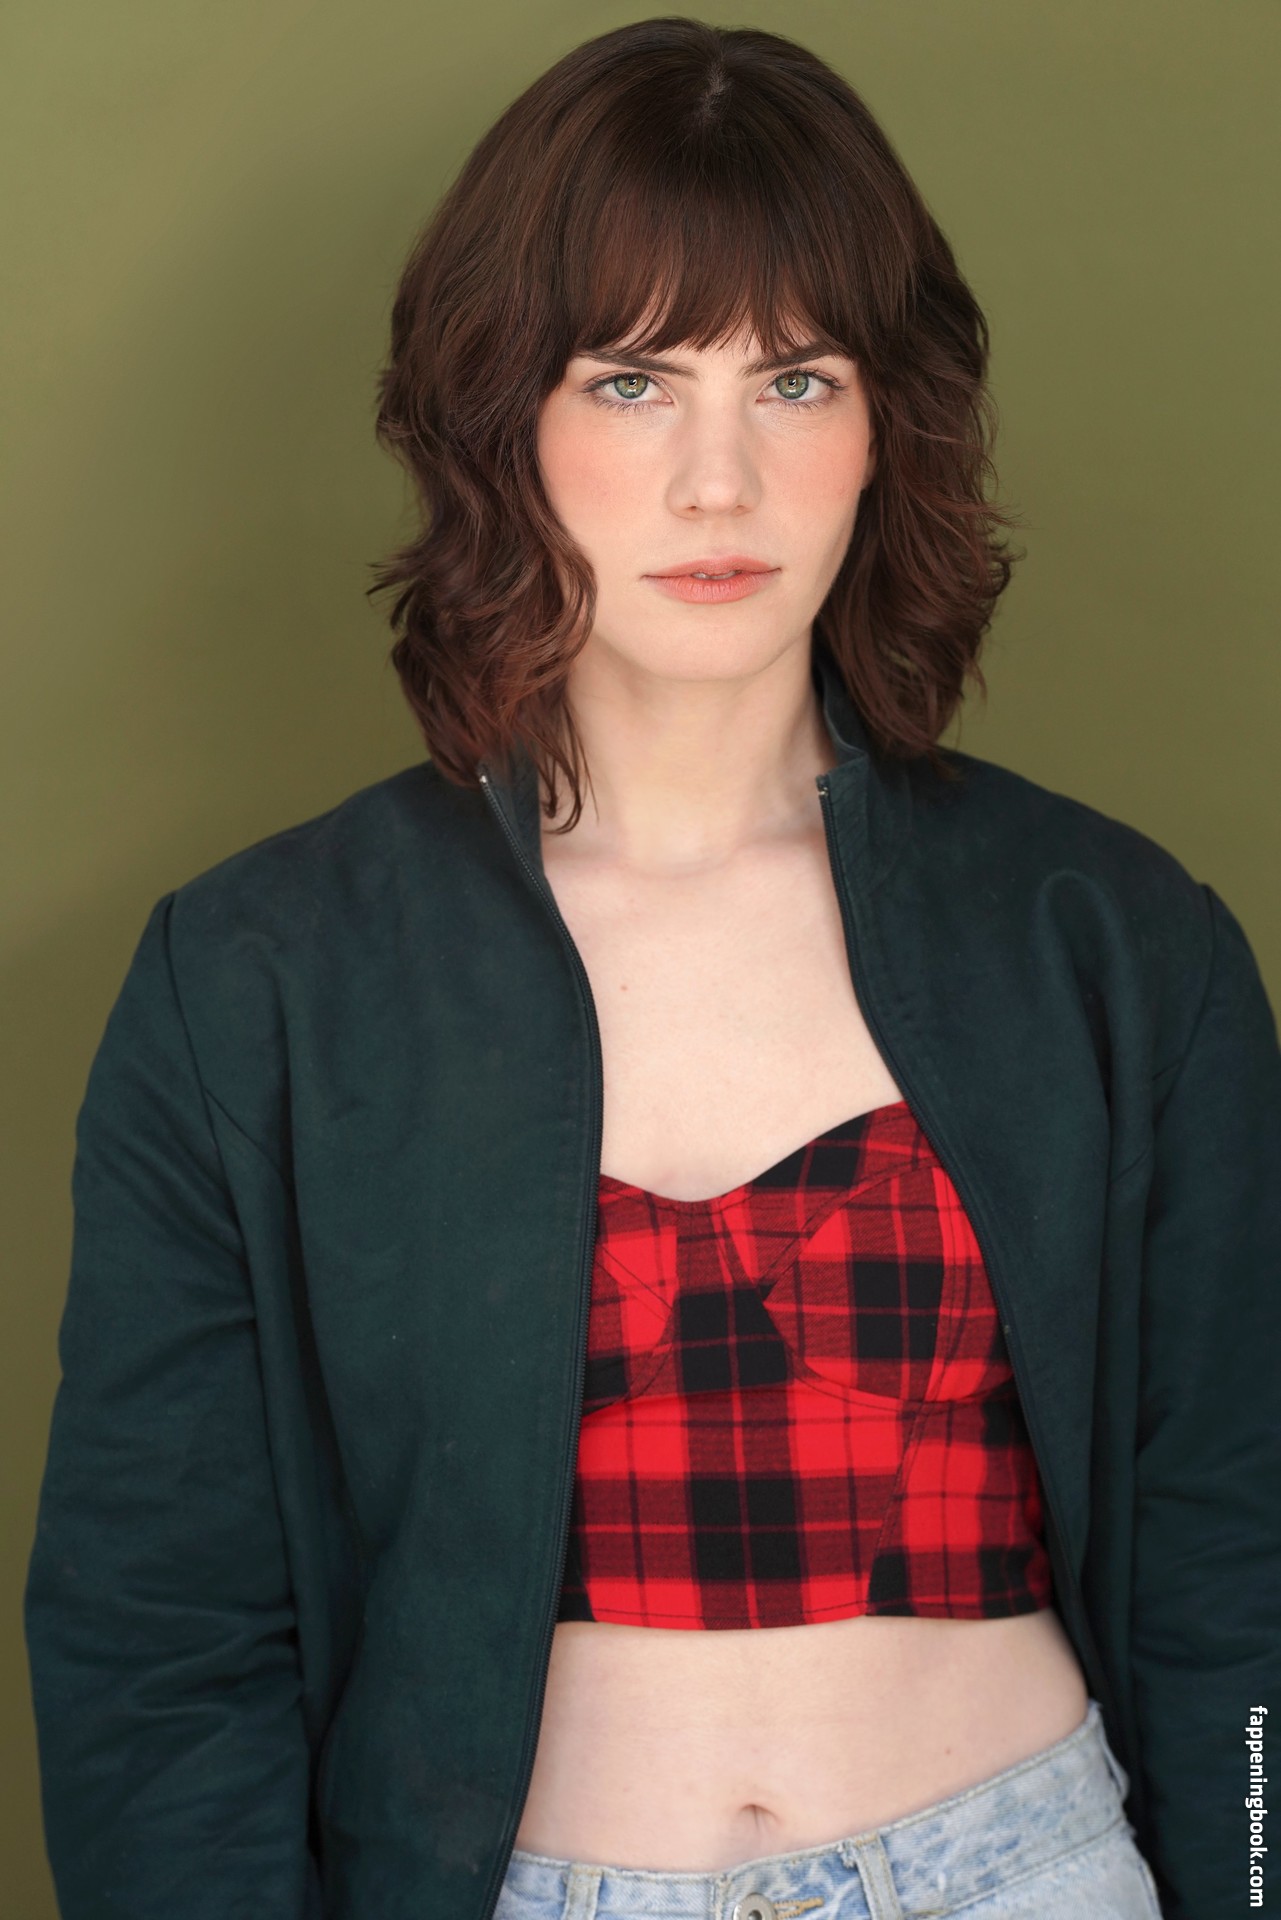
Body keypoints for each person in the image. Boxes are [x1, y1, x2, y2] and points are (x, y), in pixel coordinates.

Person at [24, 17, 1278, 1920]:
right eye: (629, 381)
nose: (718, 482)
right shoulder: (262, 979)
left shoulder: (1109, 941)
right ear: (501, 421)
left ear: (885, 426)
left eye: (793, 380)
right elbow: (159, 1633)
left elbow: (1233, 1561)